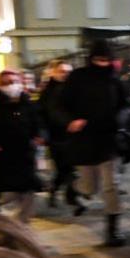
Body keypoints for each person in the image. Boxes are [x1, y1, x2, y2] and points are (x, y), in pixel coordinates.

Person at [56, 39, 130, 247]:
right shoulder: (78, 77)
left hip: (109, 138)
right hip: (84, 139)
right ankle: (74, 186)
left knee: (111, 185)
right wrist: (70, 121)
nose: (103, 64)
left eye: (107, 60)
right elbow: (60, 105)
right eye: (99, 60)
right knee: (89, 188)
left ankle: (113, 229)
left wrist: (120, 120)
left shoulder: (115, 79)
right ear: (91, 59)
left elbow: (126, 105)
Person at [0, 70, 43, 224]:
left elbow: (37, 123)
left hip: (25, 153)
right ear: (0, 85)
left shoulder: (27, 102)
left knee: (28, 190)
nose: (11, 85)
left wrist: (38, 137)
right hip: (3, 155)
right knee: (7, 193)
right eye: (6, 82)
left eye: (14, 81)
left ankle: (22, 225)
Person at [37, 60, 81, 209]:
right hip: (56, 136)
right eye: (62, 71)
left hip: (74, 135)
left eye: (68, 72)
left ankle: (70, 196)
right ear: (53, 72)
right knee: (64, 169)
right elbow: (44, 114)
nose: (66, 74)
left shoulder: (74, 89)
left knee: (72, 167)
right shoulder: (46, 92)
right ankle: (57, 191)